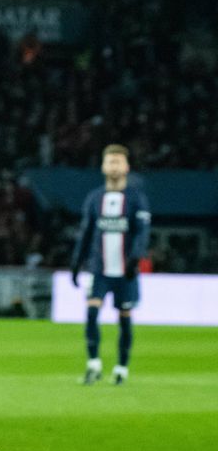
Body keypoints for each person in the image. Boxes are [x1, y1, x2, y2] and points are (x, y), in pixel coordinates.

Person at [70, 144, 151, 385]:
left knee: (125, 317)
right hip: (99, 268)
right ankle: (93, 364)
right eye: (110, 162)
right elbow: (85, 233)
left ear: (126, 167)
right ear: (103, 166)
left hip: (126, 270)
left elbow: (142, 233)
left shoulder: (136, 199)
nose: (114, 166)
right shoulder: (95, 198)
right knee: (92, 312)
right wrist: (76, 263)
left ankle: (121, 368)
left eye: (118, 162)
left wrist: (135, 259)